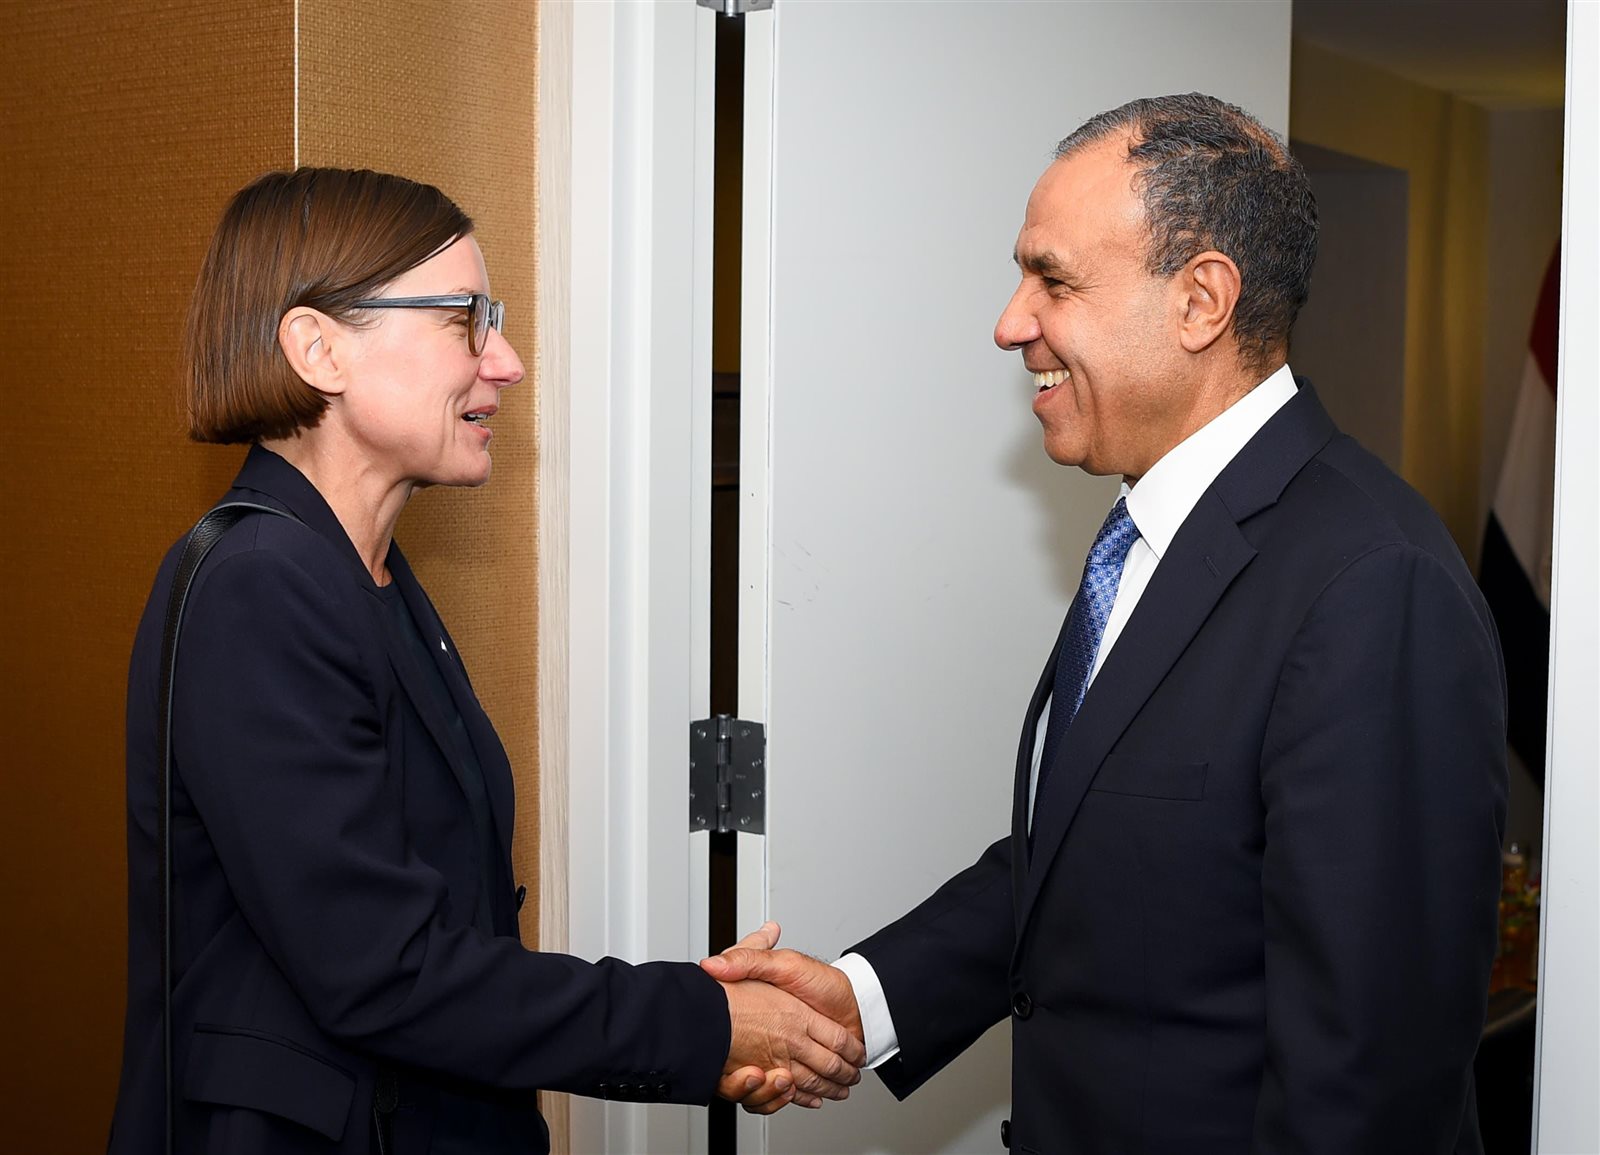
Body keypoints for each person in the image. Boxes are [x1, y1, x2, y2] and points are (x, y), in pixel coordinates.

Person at [708, 93, 1509, 1152]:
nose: (1010, 323)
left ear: (1200, 301)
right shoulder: (1151, 529)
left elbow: (1368, 1083)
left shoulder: (1373, 584)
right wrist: (863, 1000)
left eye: (1054, 280)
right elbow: (1090, 853)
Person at [110, 167, 861, 1154]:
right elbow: (385, 970)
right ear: (318, 348)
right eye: (464, 319)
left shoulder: (364, 575)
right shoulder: (262, 584)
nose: (505, 362)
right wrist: (706, 1024)